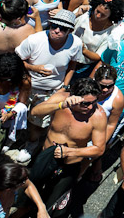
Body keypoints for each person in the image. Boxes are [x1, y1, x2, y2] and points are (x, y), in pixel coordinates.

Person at [25, 77, 107, 217]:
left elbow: (99, 148)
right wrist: (60, 105)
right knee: (26, 199)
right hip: (45, 158)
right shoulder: (61, 99)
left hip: (69, 166)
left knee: (55, 208)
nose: (90, 107)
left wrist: (71, 151)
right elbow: (35, 112)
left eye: (93, 102)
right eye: (85, 103)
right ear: (73, 98)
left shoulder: (98, 116)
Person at [16, 9, 83, 138]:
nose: (57, 30)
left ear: (70, 31)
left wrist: (64, 86)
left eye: (63, 28)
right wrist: (33, 68)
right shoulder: (35, 40)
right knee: (18, 115)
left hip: (51, 91)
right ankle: (13, 141)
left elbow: (73, 64)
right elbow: (17, 60)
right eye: (54, 26)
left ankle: (30, 145)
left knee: (38, 124)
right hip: (26, 87)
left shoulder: (76, 44)